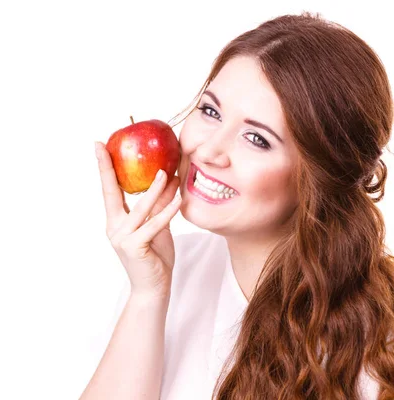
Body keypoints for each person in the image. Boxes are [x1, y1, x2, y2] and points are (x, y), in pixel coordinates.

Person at [80, 12, 394, 400]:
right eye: (211, 111)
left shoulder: (380, 340)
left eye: (256, 138)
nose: (208, 151)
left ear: (321, 173)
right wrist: (148, 293)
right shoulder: (174, 269)